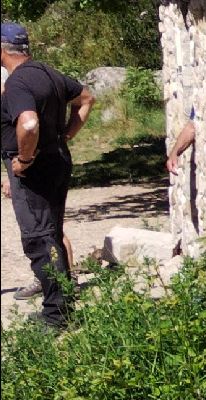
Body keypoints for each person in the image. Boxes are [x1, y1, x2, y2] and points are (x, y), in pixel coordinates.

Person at [3, 22, 94, 330]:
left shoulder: (18, 83)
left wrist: (24, 160)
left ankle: (56, 317)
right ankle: (64, 303)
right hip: (58, 161)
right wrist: (66, 134)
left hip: (35, 170)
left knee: (39, 241)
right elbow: (87, 99)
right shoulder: (48, 73)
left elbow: (28, 124)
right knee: (52, 234)